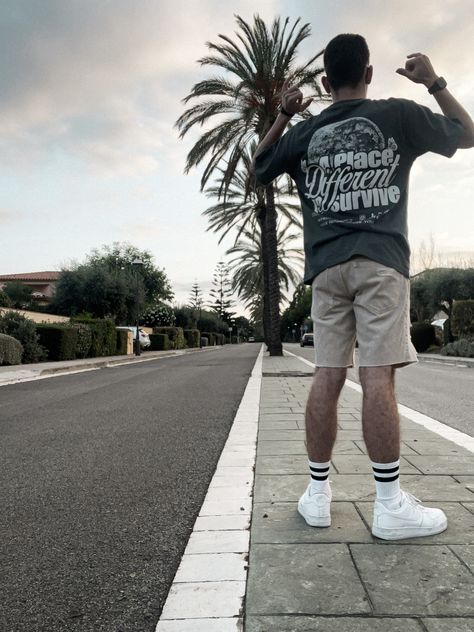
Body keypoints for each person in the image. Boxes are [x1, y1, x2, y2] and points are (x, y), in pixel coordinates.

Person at [253, 34, 474, 540]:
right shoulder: (397, 114)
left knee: (327, 376)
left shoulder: (307, 132)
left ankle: (316, 496)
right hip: (379, 263)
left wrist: (285, 114)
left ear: (326, 82)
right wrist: (434, 83)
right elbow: (467, 133)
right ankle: (390, 505)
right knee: (378, 378)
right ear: (370, 74)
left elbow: (259, 168)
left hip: (326, 271)